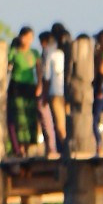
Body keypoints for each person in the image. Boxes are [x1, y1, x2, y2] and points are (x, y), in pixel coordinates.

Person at [7, 28, 41, 156]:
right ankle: (19, 147)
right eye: (25, 37)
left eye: (30, 38)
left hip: (30, 85)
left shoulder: (34, 53)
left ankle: (28, 145)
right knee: (18, 117)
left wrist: (40, 85)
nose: (27, 40)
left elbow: (39, 69)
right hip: (16, 85)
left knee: (30, 116)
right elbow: (7, 67)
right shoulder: (14, 52)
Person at [41, 29, 69, 157]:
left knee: (59, 125)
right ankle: (66, 148)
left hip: (55, 93)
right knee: (67, 123)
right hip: (69, 93)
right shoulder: (69, 53)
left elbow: (46, 77)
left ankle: (63, 149)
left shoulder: (51, 53)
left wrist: (44, 95)